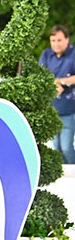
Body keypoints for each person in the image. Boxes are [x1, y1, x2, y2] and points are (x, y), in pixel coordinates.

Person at [39, 25, 75, 164]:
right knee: (56, 148)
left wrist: (62, 82)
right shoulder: (46, 54)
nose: (56, 44)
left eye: (59, 40)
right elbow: (41, 76)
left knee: (66, 147)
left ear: (67, 40)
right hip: (51, 109)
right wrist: (53, 85)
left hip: (69, 109)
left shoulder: (73, 54)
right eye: (53, 40)